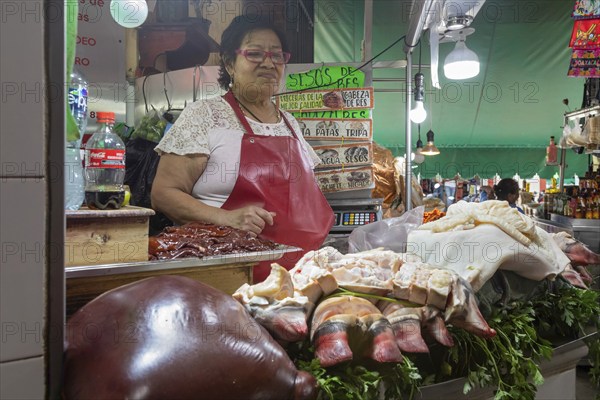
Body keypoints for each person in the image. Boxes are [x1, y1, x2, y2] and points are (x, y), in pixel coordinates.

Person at [151, 14, 334, 282]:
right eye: (255, 54)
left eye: (277, 55)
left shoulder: (291, 124)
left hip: (296, 279)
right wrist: (227, 219)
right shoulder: (205, 115)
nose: (269, 63)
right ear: (229, 63)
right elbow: (163, 194)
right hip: (227, 277)